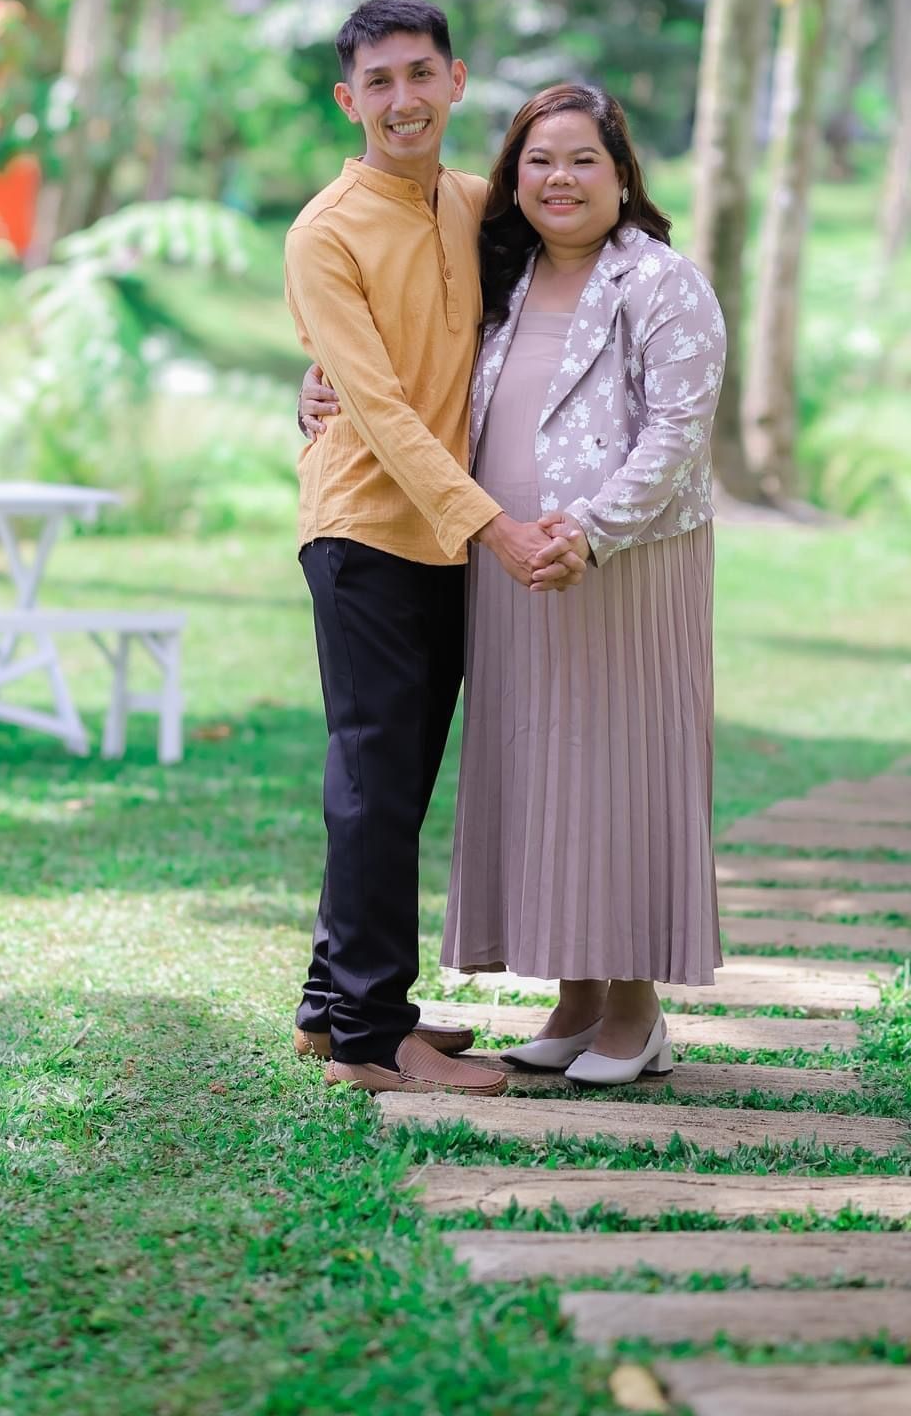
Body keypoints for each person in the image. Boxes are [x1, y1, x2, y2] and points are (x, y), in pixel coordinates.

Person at [302, 81, 726, 1086]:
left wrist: (591, 530)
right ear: (513, 178)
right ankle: (576, 1002)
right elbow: (405, 355)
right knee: (550, 776)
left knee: (619, 771)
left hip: (622, 569)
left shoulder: (663, 281)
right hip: (509, 570)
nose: (559, 179)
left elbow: (678, 433)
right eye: (539, 160)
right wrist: (316, 378)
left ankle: (635, 1010)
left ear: (621, 173)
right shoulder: (503, 270)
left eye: (583, 159)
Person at [283, 0, 584, 1099]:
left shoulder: (474, 204)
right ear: (347, 99)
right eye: (379, 82)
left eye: (420, 73)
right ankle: (373, 1036)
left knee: (392, 783)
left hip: (442, 538)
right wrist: (494, 525)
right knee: (373, 779)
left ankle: (329, 1007)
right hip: (365, 529)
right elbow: (376, 405)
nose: (402, 99)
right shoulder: (325, 231)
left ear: (456, 81)